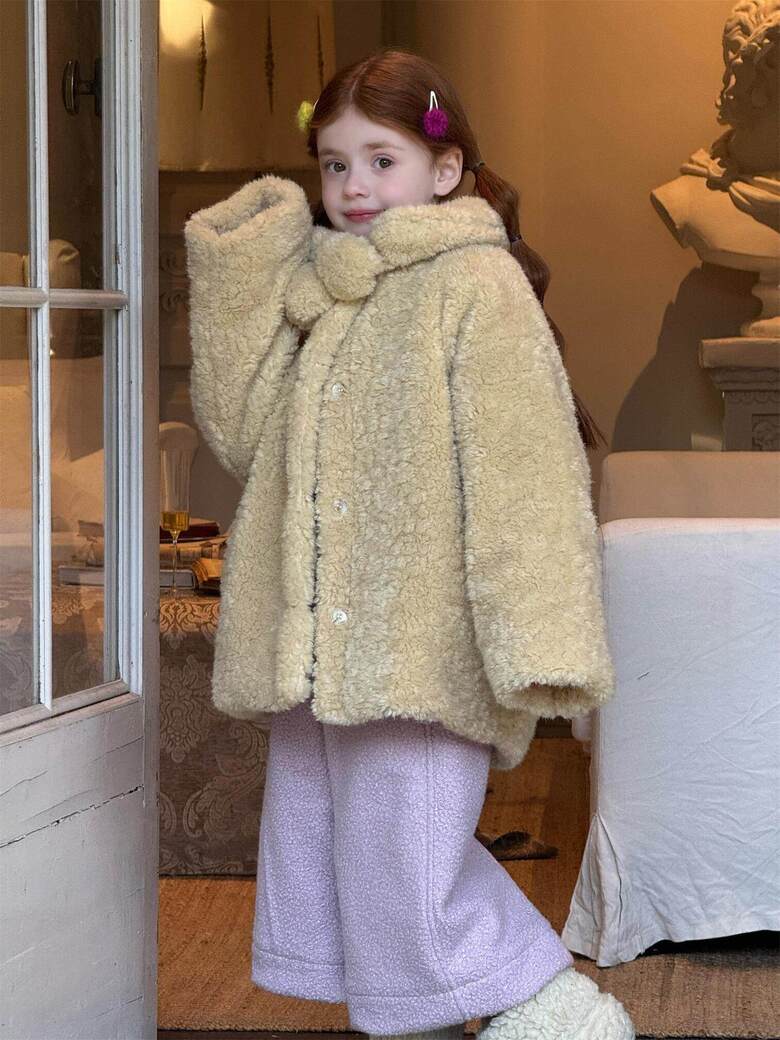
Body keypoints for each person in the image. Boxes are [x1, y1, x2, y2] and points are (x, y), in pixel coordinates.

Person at [184, 47, 635, 1040]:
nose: (353, 186)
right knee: (339, 855)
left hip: (420, 638)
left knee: (408, 853)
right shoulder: (327, 291)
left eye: (380, 161)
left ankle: (550, 1005)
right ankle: (416, 1019)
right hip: (319, 646)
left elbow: (527, 474)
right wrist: (242, 264)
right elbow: (246, 433)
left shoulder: (475, 283)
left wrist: (541, 635)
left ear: (445, 168)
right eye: (334, 164)